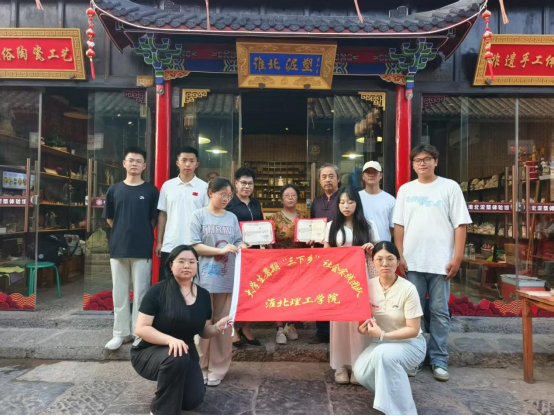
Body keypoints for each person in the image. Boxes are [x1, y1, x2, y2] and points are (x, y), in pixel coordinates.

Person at [394, 144, 471, 382]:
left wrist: (457, 257)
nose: (422, 163)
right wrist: (400, 255)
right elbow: (399, 226)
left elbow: (460, 225)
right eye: (418, 160)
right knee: (412, 314)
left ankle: (439, 360)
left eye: (427, 159)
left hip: (441, 263)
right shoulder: (405, 190)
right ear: (413, 164)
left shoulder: (450, 187)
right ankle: (415, 358)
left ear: (436, 161)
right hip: (413, 262)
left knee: (439, 312)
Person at [132, 245, 233, 416]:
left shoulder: (203, 295)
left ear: (197, 266)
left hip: (185, 352)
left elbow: (203, 331)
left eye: (192, 262)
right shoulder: (157, 291)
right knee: (176, 357)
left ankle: (171, 387)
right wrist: (170, 340)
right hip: (151, 350)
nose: (187, 266)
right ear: (171, 265)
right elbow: (141, 329)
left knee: (192, 400)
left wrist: (217, 327)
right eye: (181, 261)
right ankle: (159, 410)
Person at [353, 241, 426, 416]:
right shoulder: (367, 286)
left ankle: (404, 411)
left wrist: (383, 335)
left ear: (398, 261)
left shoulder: (408, 288)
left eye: (390, 259)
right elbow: (361, 324)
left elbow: (413, 329)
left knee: (383, 355)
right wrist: (363, 329)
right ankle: (395, 397)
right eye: (379, 259)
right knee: (361, 372)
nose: (385, 264)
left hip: (410, 344)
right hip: (381, 343)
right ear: (373, 262)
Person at [187, 177, 248, 387]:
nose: (226, 199)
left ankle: (218, 368)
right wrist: (220, 251)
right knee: (203, 325)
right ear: (210, 193)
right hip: (203, 279)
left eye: (229, 195)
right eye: (222, 194)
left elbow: (238, 241)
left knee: (223, 325)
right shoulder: (198, 215)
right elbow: (194, 245)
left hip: (227, 279)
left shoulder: (232, 217)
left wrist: (242, 245)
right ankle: (201, 366)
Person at [103, 147, 159, 351]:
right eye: (131, 160)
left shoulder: (151, 191)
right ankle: (120, 333)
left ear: (144, 166)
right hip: (118, 248)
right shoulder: (114, 190)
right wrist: (123, 232)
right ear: (124, 163)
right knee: (119, 293)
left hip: (142, 248)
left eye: (138, 161)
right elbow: (110, 219)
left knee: (141, 293)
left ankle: (139, 332)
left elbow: (153, 220)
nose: (134, 163)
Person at [324, 186, 380, 385]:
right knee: (339, 321)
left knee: (360, 320)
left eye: (350, 201)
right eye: (342, 202)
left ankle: (359, 366)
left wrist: (372, 248)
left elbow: (379, 251)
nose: (346, 206)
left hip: (362, 279)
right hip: (339, 280)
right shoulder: (331, 226)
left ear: (357, 203)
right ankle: (340, 365)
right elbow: (326, 253)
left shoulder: (368, 224)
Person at [156, 146, 209, 279]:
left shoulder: (204, 187)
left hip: (195, 245)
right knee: (168, 283)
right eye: (184, 160)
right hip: (170, 244)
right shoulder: (167, 186)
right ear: (177, 163)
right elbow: (162, 214)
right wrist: (159, 242)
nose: (187, 164)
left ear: (197, 164)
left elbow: (207, 217)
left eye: (191, 161)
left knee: (192, 283)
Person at [225, 167, 263, 347]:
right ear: (236, 183)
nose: (247, 187)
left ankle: (246, 328)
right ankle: (233, 330)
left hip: (254, 254)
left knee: (251, 292)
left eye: (250, 183)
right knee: (235, 292)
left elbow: (262, 226)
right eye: (243, 183)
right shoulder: (230, 204)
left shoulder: (255, 204)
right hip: (236, 254)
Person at [269, 184, 307, 345]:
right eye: (287, 195)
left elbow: (309, 238)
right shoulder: (274, 218)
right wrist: (273, 258)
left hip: (298, 263)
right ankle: (279, 328)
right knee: (279, 294)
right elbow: (269, 240)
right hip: (279, 263)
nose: (290, 198)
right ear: (281, 199)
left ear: (298, 198)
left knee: (295, 294)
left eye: (293, 195)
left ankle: (290, 325)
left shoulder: (304, 216)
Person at [308, 163, 340, 345]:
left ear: (338, 179)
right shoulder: (316, 202)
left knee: (337, 292)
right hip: (320, 254)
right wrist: (311, 238)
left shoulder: (343, 199)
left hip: (339, 253)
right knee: (320, 292)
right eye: (324, 177)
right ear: (319, 181)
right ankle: (322, 331)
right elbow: (312, 225)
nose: (328, 180)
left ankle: (338, 331)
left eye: (331, 176)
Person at [359, 161, 396, 242]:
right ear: (363, 176)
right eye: (368, 172)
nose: (371, 175)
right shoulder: (356, 197)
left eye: (374, 172)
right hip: (361, 245)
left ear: (381, 175)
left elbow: (393, 227)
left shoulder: (390, 199)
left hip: (383, 246)